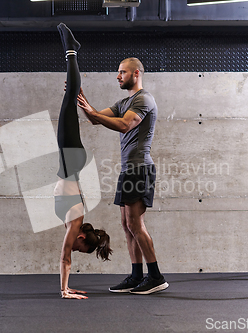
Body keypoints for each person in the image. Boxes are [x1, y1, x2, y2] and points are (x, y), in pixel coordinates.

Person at [77, 57, 169, 295]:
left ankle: (156, 276)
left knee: (136, 224)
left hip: (140, 168)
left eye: (122, 72)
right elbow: (95, 118)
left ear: (135, 73)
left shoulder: (143, 99)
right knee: (127, 225)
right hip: (129, 170)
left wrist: (92, 112)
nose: (118, 76)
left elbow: (124, 125)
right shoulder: (124, 101)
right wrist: (81, 98)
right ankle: (137, 275)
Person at [55, 23, 112, 300]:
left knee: (70, 99)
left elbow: (69, 256)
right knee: (69, 99)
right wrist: (64, 291)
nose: (75, 249)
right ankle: (70, 49)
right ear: (81, 239)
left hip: (70, 160)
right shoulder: (75, 224)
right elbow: (65, 257)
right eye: (80, 248)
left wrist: (68, 286)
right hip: (70, 158)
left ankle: (72, 51)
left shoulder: (75, 224)